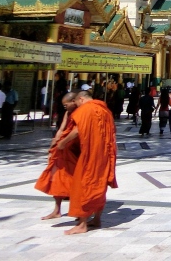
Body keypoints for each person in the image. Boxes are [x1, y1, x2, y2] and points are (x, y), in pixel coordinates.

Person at [55, 90, 117, 235]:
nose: (76, 105)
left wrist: (63, 143)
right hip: (105, 154)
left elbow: (77, 130)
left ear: (81, 99)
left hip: (90, 154)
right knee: (100, 185)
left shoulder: (85, 109)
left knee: (83, 185)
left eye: (76, 102)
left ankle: (82, 224)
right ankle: (96, 219)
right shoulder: (104, 109)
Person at [35, 92, 79, 219]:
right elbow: (61, 129)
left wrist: (65, 142)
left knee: (76, 180)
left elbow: (78, 131)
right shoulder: (68, 113)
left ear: (74, 101)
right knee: (57, 178)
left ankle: (78, 210)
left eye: (66, 105)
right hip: (63, 150)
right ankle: (57, 210)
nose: (65, 107)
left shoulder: (81, 113)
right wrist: (55, 142)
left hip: (75, 150)